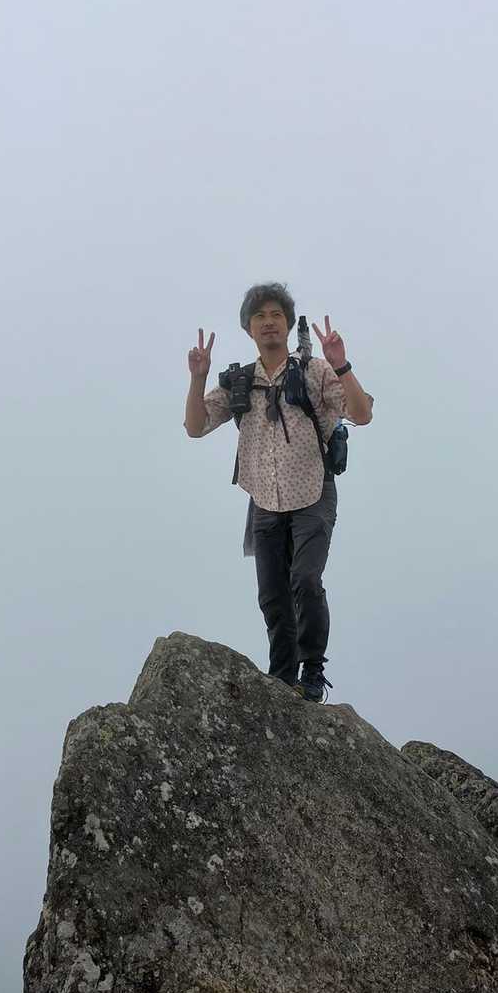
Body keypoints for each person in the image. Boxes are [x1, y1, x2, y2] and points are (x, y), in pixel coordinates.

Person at [184, 282, 374, 702]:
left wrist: (342, 365)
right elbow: (195, 427)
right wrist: (198, 379)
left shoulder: (314, 371)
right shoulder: (240, 381)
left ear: (287, 324)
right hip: (264, 500)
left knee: (305, 579)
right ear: (248, 328)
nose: (268, 322)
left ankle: (312, 668)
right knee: (272, 596)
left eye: (275, 315)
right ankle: (282, 677)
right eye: (259, 316)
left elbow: (362, 414)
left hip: (313, 491)